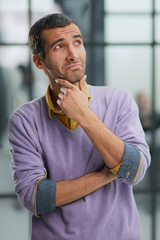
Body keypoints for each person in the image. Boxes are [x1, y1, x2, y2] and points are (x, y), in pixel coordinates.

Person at [8, 13, 151, 240]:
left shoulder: (119, 100)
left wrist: (84, 114)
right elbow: (34, 197)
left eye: (77, 42)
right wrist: (108, 174)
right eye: (59, 46)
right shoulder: (25, 120)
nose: (73, 54)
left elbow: (134, 170)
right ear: (39, 61)